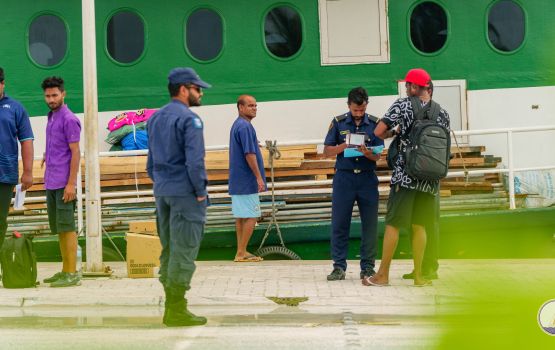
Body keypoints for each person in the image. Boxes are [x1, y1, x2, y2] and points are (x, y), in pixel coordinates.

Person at [366, 68, 450, 287]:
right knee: (420, 225)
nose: (406, 89)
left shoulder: (403, 105)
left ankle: (382, 275)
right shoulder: (442, 112)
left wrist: (395, 132)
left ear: (414, 87)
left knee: (393, 223)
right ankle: (420, 276)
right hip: (430, 180)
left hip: (405, 176)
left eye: (407, 85)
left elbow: (378, 132)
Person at [147, 67, 210, 327]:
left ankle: (171, 305)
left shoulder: (155, 118)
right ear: (184, 90)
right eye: (197, 89)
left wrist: (162, 183)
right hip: (185, 193)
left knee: (169, 249)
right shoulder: (190, 120)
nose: (201, 94)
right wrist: (200, 192)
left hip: (162, 191)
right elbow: (195, 162)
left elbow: (150, 163)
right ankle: (176, 309)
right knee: (184, 249)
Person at [324, 87, 384, 281]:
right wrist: (344, 146)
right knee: (340, 223)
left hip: (367, 178)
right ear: (348, 105)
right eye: (355, 110)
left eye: (362, 110)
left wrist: (368, 153)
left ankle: (367, 267)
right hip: (344, 177)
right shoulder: (338, 122)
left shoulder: (375, 124)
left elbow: (378, 156)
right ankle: (338, 266)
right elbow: (327, 151)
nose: (359, 114)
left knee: (370, 224)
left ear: (366, 105)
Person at [40, 77, 82, 288]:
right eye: (48, 96)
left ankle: (72, 272)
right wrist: (47, 154)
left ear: (63, 94)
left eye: (55, 95)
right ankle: (65, 270)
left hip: (64, 183)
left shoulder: (68, 118)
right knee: (59, 228)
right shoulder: (51, 116)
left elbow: (75, 153)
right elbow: (58, 144)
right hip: (51, 181)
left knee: (68, 228)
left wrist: (71, 184)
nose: (51, 99)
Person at [402, 82, 440, 281]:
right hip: (423, 174)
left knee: (426, 223)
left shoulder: (435, 113)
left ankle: (429, 266)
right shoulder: (438, 113)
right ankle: (421, 266)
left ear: (429, 91)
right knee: (417, 223)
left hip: (423, 175)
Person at [228, 95, 266, 262]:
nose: (254, 108)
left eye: (255, 105)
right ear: (240, 108)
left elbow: (247, 147)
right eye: (250, 105)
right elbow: (249, 154)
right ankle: (241, 252)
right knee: (251, 215)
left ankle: (240, 251)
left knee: (241, 216)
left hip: (237, 179)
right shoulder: (245, 127)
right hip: (246, 179)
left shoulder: (239, 125)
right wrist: (258, 177)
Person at [0, 67, 34, 251]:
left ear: (3, 84)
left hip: (5, 175)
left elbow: (26, 141)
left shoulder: (15, 108)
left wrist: (28, 172)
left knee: (0, 221)